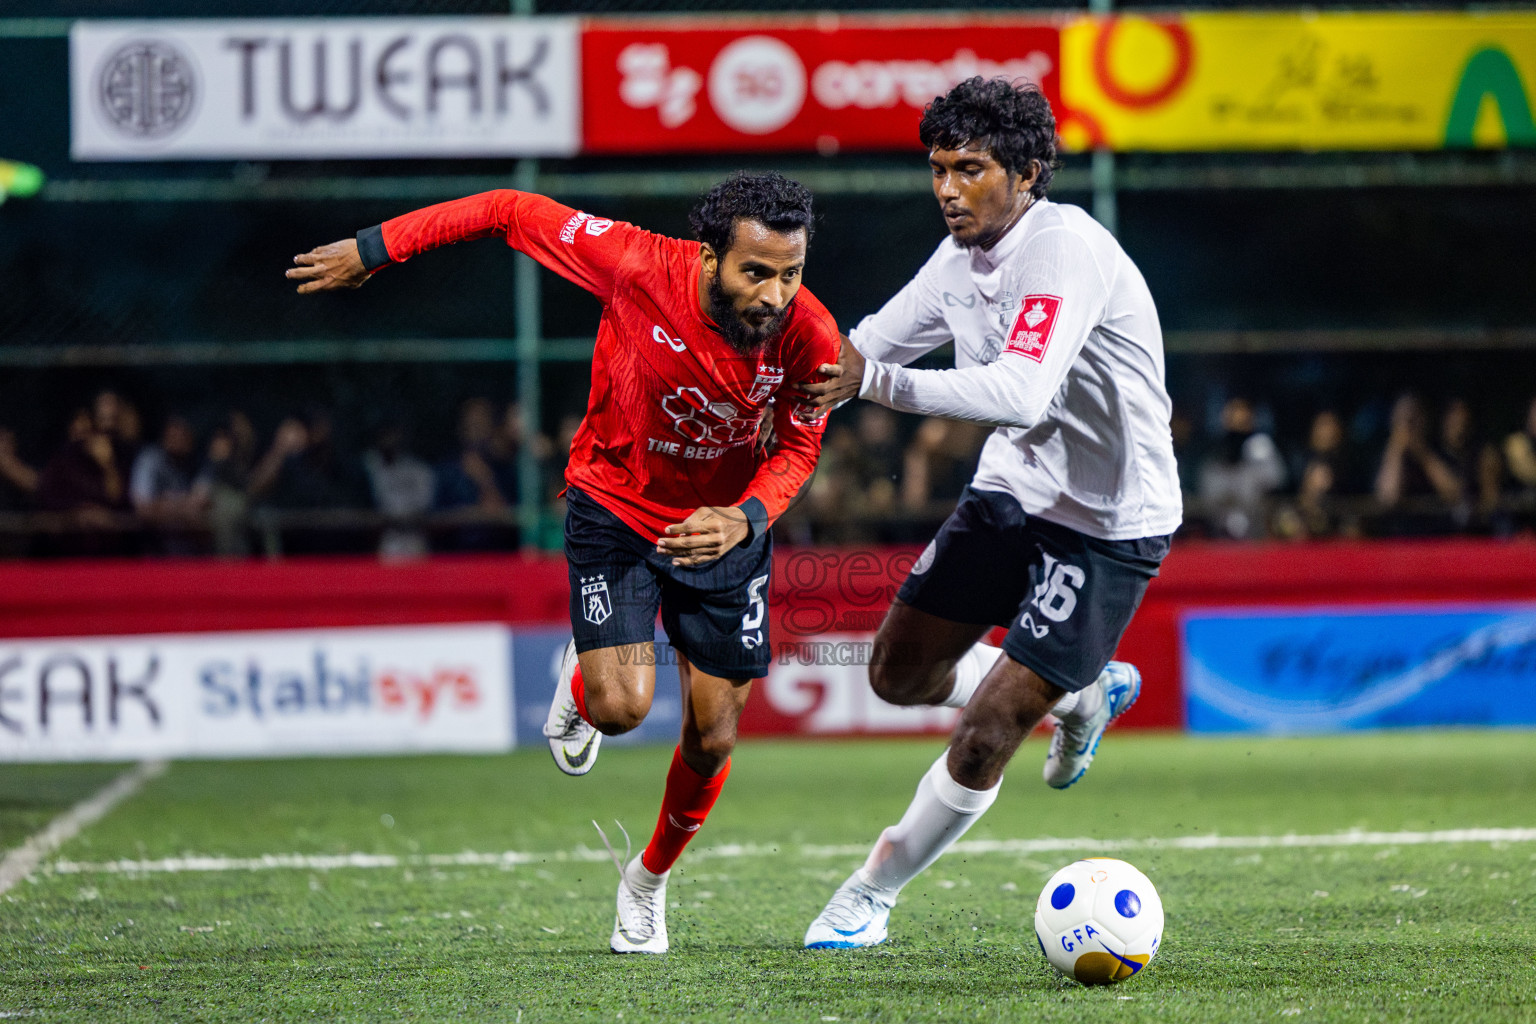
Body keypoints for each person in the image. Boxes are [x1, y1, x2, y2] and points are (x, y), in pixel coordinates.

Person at [287, 173, 838, 954]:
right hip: (613, 506)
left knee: (713, 738)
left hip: (719, 531)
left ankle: (647, 881)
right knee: (620, 711)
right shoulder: (636, 264)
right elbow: (507, 208)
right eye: (757, 272)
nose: (775, 294)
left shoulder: (811, 335)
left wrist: (744, 517)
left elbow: (799, 444)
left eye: (791, 273)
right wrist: (375, 249)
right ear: (711, 257)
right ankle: (584, 681)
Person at [798, 77, 1181, 950]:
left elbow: (1019, 389)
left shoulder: (1064, 251)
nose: (947, 189)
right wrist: (776, 374)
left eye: (968, 170)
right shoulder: (958, 259)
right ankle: (1081, 692)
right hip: (1013, 490)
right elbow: (865, 345)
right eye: (938, 169)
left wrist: (874, 383)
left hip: (1108, 521)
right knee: (897, 675)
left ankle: (869, 894)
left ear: (1028, 172)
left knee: (985, 734)